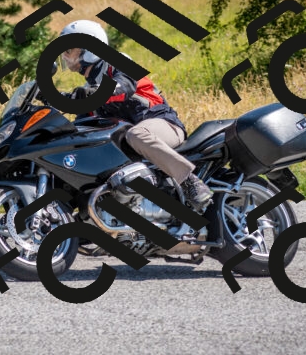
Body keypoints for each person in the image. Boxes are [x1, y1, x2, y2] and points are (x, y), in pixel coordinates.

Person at [58, 20, 213, 212]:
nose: (65, 56)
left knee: (136, 134)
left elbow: (125, 86)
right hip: (134, 146)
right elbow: (80, 128)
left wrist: (92, 94)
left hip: (163, 125)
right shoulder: (89, 87)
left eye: (69, 50)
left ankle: (189, 181)